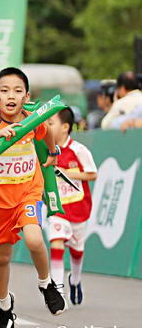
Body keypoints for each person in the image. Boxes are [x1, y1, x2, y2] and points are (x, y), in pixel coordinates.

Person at [0, 67, 67, 328]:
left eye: (17, 91)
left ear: (26, 96)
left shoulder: (31, 119)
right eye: (4, 90)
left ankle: (46, 284)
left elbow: (46, 131)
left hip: (28, 192)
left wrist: (52, 152)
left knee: (35, 239)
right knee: (2, 258)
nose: (11, 96)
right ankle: (4, 304)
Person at [46, 107, 97, 305]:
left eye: (52, 123)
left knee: (76, 251)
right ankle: (58, 291)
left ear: (65, 127)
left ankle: (75, 280)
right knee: (56, 243)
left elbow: (92, 174)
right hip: (58, 209)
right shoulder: (47, 151)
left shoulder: (79, 150)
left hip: (78, 208)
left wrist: (66, 172)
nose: (48, 127)